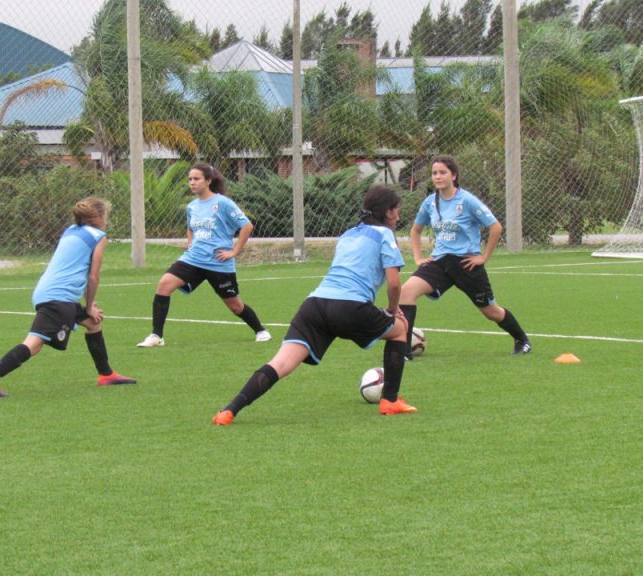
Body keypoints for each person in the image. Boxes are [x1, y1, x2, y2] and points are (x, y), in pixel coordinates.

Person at [213, 185, 417, 426]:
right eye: (396, 211)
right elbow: (394, 284)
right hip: (350, 307)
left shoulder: (348, 234)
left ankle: (229, 411)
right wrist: (393, 311)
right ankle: (390, 401)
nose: (399, 216)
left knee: (281, 363)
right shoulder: (385, 235)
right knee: (400, 329)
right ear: (386, 212)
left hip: (314, 305)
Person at [0, 197, 136, 397]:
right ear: (98, 217)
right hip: (58, 298)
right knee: (34, 344)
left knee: (93, 324)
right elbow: (93, 276)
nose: (107, 220)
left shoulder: (70, 230)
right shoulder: (99, 236)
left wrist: (88, 308)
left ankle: (106, 374)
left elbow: (79, 269)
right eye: (106, 215)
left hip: (49, 292)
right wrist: (88, 306)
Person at [399, 155, 531, 355]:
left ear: (454, 175)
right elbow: (415, 230)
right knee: (406, 292)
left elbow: (495, 227)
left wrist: (483, 257)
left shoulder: (467, 200)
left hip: (466, 265)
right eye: (434, 173)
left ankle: (522, 340)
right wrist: (418, 258)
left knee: (491, 312)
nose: (438, 177)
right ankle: (402, 351)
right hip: (439, 262)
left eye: (442, 172)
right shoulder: (430, 202)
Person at [136, 163, 271, 348]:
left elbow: (246, 226)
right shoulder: (192, 206)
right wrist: (190, 244)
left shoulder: (222, 203)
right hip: (193, 259)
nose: (192, 183)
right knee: (164, 285)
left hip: (218, 263)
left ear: (208, 181)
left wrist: (234, 251)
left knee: (235, 306)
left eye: (196, 179)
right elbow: (191, 228)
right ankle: (156, 336)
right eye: (190, 179)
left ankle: (261, 330)